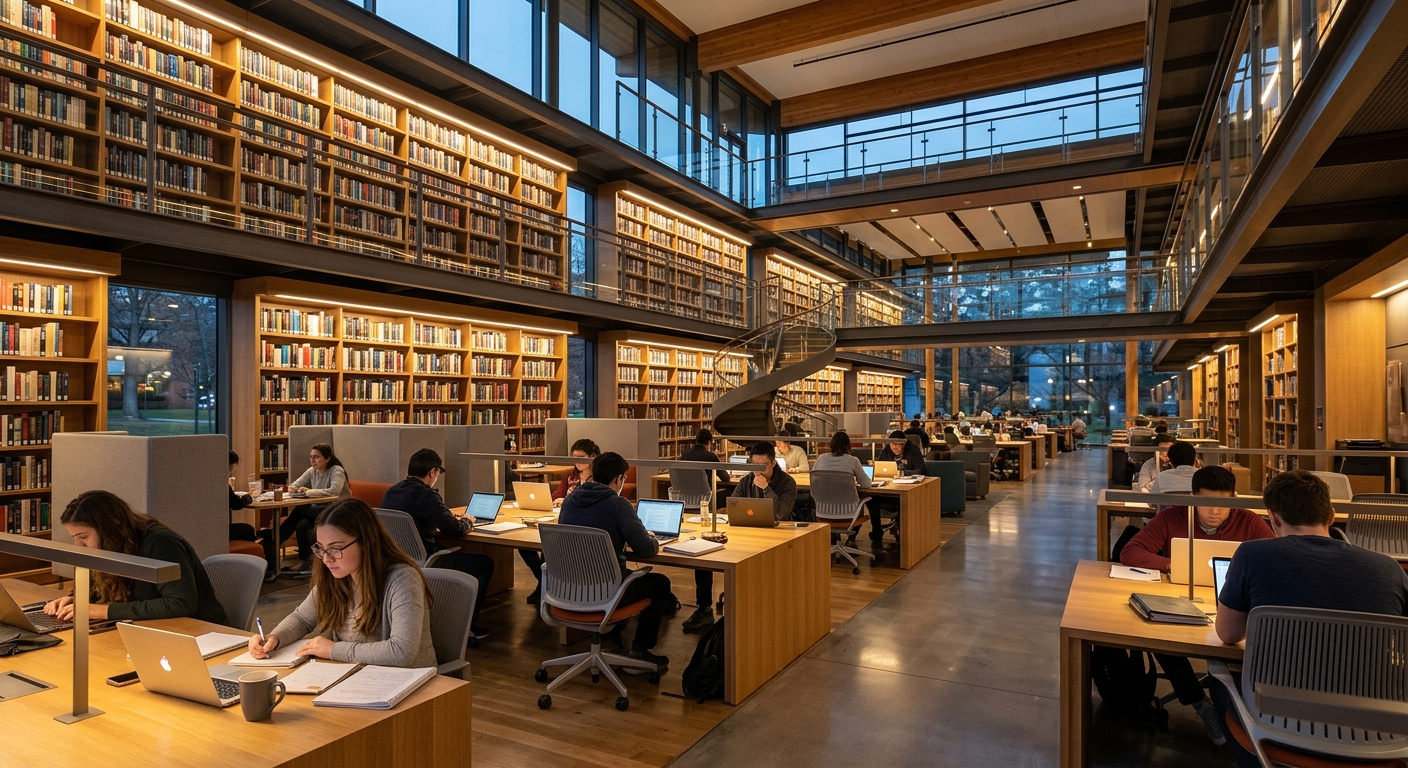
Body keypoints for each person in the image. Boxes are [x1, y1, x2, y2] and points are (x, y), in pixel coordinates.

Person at [1213, 470, 1408, 766]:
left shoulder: (1253, 555)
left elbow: (1227, 634)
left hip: (1277, 725)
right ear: (1331, 517)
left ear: (1273, 518)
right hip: (1377, 733)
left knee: (1216, 674)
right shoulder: (1389, 569)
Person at [1118, 466, 1272, 746]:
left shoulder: (1249, 522)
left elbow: (1275, 562)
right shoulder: (1173, 516)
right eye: (1207, 502)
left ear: (1234, 499)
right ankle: (1200, 704)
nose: (1215, 511)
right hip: (1179, 596)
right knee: (1159, 630)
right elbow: (1131, 551)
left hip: (1231, 603)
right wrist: (1172, 565)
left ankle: (1236, 711)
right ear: (1192, 496)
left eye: (1223, 503)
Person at [249, 499, 435, 668]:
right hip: (354, 674)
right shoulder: (337, 574)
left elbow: (402, 652)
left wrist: (333, 650)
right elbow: (302, 619)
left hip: (407, 684)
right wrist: (275, 638)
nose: (326, 559)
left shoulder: (402, 579)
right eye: (321, 549)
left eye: (336, 548)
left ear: (365, 542)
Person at [558, 453, 675, 670]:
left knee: (624, 574)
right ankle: (640, 651)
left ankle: (614, 637)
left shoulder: (569, 501)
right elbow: (645, 549)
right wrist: (651, 538)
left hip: (568, 590)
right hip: (605, 592)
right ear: (619, 479)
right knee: (659, 583)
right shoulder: (618, 504)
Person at [43, 491, 227, 624]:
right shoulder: (111, 547)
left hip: (194, 631)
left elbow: (180, 603)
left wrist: (104, 611)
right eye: (74, 537)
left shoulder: (160, 544)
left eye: (83, 537)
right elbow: (103, 587)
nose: (78, 545)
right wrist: (77, 599)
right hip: (145, 629)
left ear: (110, 529)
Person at [684, 442, 800, 634]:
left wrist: (765, 489)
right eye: (754, 467)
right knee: (703, 554)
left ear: (773, 463)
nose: (758, 472)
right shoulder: (747, 480)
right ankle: (704, 609)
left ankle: (762, 611)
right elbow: (734, 506)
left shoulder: (787, 483)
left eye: (762, 467)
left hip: (778, 536)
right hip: (747, 532)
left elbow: (781, 512)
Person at [379, 448, 494, 639]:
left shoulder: (391, 491)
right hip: (426, 559)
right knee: (484, 564)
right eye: (438, 473)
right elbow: (454, 530)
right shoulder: (427, 495)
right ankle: (468, 627)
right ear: (432, 472)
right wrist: (467, 521)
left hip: (394, 558)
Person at [263, 443, 350, 572]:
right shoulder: (312, 471)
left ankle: (275, 539)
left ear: (327, 459)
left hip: (337, 510)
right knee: (302, 524)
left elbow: (334, 491)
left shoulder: (336, 470)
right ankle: (305, 562)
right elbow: (294, 485)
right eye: (311, 457)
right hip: (319, 509)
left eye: (316, 457)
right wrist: (293, 489)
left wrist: (308, 492)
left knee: (300, 510)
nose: (312, 460)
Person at [680, 429, 731, 633]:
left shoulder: (684, 455)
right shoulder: (710, 456)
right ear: (709, 442)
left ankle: (704, 609)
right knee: (730, 490)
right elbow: (725, 476)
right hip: (705, 501)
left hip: (686, 502)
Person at [229, 450, 256, 543]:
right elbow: (236, 505)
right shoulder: (222, 484)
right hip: (221, 530)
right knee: (249, 530)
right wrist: (249, 496)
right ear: (232, 466)